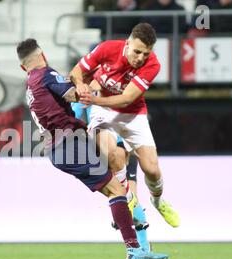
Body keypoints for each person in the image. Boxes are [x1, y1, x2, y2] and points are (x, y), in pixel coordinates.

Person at [17, 38, 168, 259]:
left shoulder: (30, 84)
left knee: (115, 170)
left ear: (22, 67)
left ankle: (131, 216)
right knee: (116, 189)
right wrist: (92, 87)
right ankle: (134, 247)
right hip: (69, 144)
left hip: (60, 148)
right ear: (44, 56)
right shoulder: (47, 74)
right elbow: (72, 95)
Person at [69, 22, 180, 228]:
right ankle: (129, 201)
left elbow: (126, 99)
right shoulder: (107, 48)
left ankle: (157, 201)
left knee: (152, 169)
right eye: (137, 52)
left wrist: (91, 99)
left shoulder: (153, 65)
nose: (140, 58)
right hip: (103, 112)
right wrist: (81, 85)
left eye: (145, 54)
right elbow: (75, 72)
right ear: (127, 43)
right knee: (111, 153)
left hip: (133, 114)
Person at [71, 102, 151, 252]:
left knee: (130, 193)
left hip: (124, 142)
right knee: (123, 194)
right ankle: (138, 242)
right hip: (105, 144)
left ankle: (143, 244)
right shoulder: (86, 89)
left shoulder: (116, 86)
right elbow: (74, 111)